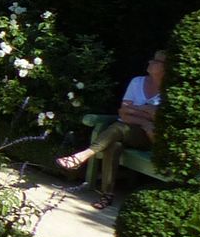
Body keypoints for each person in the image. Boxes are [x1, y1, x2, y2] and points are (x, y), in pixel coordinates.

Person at [59, 49, 167, 206]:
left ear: (165, 67)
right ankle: (106, 196)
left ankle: (83, 156)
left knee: (119, 128)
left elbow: (157, 119)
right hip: (131, 128)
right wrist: (146, 116)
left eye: (156, 61)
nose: (150, 62)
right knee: (113, 145)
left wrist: (138, 113)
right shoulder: (137, 82)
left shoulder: (168, 92)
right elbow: (123, 112)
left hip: (147, 137)